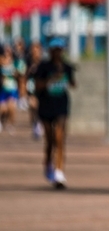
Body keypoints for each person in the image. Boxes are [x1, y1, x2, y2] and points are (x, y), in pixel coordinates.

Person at [35, 38, 76, 188]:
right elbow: (37, 86)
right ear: (50, 51)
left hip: (61, 105)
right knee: (50, 141)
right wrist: (51, 79)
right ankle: (48, 161)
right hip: (46, 105)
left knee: (60, 139)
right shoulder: (43, 66)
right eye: (55, 49)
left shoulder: (67, 66)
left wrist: (67, 78)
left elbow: (73, 84)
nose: (58, 52)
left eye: (60, 49)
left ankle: (59, 172)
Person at [26, 41, 44, 139]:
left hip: (41, 86)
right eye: (33, 49)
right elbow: (25, 74)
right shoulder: (28, 61)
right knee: (32, 105)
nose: (35, 52)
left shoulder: (43, 62)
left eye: (37, 49)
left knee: (38, 105)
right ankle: (35, 124)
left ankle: (39, 123)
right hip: (31, 86)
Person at [0, 43, 20, 134]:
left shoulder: (15, 63)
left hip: (12, 89)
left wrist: (14, 73)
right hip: (3, 89)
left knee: (11, 108)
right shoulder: (1, 63)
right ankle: (2, 121)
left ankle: (11, 124)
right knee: (3, 109)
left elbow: (20, 75)